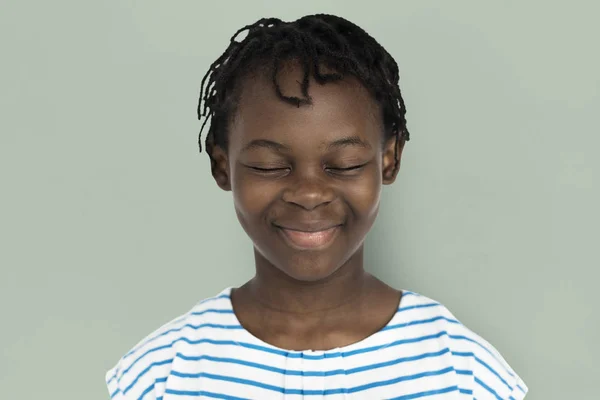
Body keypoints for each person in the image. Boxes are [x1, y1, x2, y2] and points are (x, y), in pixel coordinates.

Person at [105, 14, 528, 400]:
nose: (309, 193)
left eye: (344, 165)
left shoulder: (464, 374)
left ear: (389, 160)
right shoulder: (160, 376)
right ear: (223, 166)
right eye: (269, 166)